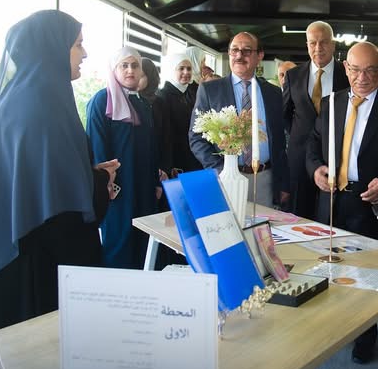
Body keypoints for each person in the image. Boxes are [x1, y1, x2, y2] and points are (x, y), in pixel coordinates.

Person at [0, 10, 118, 369]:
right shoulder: (41, 107)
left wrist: (91, 178)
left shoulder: (33, 98)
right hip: (24, 267)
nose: (84, 53)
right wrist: (98, 186)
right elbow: (59, 214)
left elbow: (47, 186)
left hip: (16, 251)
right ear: (51, 48)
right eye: (77, 43)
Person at [304, 41, 378, 364]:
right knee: (332, 267)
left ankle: (367, 336)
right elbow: (313, 143)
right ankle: (337, 327)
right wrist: (315, 169)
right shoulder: (331, 102)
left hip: (371, 203)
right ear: (345, 69)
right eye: (356, 70)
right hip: (332, 201)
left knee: (372, 273)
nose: (363, 78)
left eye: (371, 70)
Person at [189, 32, 290, 207]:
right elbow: (196, 137)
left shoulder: (273, 93)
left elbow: (280, 141)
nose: (239, 55)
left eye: (247, 50)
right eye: (234, 50)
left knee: (262, 224)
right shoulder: (210, 90)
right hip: (226, 179)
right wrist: (220, 169)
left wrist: (283, 181)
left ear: (259, 55)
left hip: (264, 180)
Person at [86, 47, 161, 269]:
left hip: (143, 189)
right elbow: (97, 147)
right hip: (117, 190)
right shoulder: (102, 101)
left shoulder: (142, 104)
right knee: (119, 244)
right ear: (114, 69)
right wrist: (106, 185)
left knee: (144, 244)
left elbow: (152, 148)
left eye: (135, 65)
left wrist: (155, 182)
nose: (130, 70)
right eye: (124, 65)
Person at [283, 21, 349, 218]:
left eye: (324, 42)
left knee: (331, 217)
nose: (318, 48)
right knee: (298, 217)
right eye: (313, 43)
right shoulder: (293, 76)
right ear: (307, 45)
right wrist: (299, 136)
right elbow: (285, 115)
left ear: (333, 45)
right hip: (299, 160)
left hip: (336, 160)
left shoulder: (347, 74)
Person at [155, 48, 204, 177]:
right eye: (181, 68)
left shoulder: (192, 93)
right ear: (172, 69)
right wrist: (168, 165)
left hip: (194, 157)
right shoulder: (162, 96)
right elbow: (164, 135)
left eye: (189, 69)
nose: (186, 72)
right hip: (176, 162)